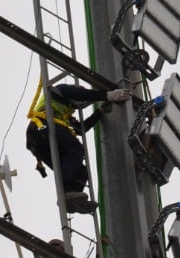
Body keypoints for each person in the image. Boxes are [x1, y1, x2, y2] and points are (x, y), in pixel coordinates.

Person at [25, 78, 131, 213]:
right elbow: (83, 95)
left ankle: (72, 198)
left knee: (80, 171)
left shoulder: (64, 115)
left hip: (38, 142)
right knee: (76, 149)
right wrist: (107, 95)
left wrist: (100, 112)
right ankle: (66, 193)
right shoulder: (61, 90)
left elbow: (80, 129)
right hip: (41, 128)